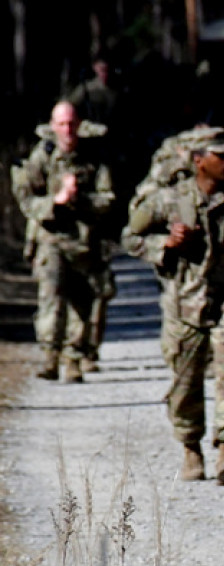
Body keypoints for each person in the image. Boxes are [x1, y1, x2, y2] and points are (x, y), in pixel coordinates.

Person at [125, 137, 224, 485]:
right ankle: (191, 451)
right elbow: (130, 236)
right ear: (201, 161)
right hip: (183, 304)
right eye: (222, 157)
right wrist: (164, 244)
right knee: (185, 384)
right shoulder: (169, 198)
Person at [12, 101, 114, 382]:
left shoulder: (94, 157)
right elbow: (27, 198)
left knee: (83, 301)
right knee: (51, 296)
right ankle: (50, 356)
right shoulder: (41, 156)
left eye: (71, 123)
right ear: (53, 126)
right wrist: (55, 202)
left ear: (79, 123)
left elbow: (108, 198)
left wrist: (80, 199)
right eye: (61, 124)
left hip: (84, 241)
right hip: (51, 238)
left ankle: (74, 358)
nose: (67, 129)